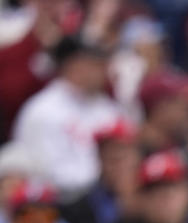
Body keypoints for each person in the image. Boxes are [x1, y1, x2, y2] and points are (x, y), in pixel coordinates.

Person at [11, 36, 122, 200]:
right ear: (73, 66)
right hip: (56, 203)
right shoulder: (42, 110)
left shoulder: (108, 108)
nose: (104, 71)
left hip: (106, 198)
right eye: (96, 65)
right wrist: (99, 179)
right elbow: (45, 172)